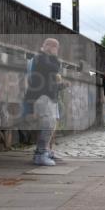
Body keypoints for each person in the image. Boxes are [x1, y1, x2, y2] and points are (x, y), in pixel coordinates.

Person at [24, 38, 63, 166]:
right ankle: (40, 154)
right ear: (49, 47)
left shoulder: (43, 58)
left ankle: (44, 151)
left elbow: (50, 76)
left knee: (50, 124)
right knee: (47, 124)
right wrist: (52, 56)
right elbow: (54, 68)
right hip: (42, 97)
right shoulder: (41, 57)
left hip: (47, 96)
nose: (56, 51)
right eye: (55, 48)